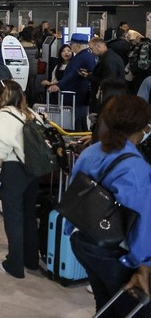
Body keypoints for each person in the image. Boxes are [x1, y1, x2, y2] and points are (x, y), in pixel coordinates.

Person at [67, 95, 150, 317]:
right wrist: (142, 265)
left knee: (104, 301)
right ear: (142, 127)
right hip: (111, 247)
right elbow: (141, 220)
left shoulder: (92, 151)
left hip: (82, 237)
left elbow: (74, 191)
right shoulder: (135, 167)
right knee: (135, 309)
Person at [0, 79, 45, 279]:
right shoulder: (32, 114)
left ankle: (14, 264)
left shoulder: (0, 117)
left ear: (2, 94)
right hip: (33, 170)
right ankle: (31, 260)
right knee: (29, 214)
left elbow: (0, 151)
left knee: (13, 217)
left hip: (14, 169)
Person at [47, 33, 94, 131]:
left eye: (71, 44)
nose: (70, 47)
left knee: (76, 120)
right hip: (82, 93)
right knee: (81, 120)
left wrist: (59, 85)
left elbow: (72, 75)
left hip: (77, 94)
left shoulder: (81, 57)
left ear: (77, 45)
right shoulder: (87, 55)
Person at [83, 37, 125, 113]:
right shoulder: (109, 57)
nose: (91, 52)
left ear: (98, 46)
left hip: (109, 101)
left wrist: (89, 77)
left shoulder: (109, 60)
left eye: (91, 49)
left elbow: (108, 81)